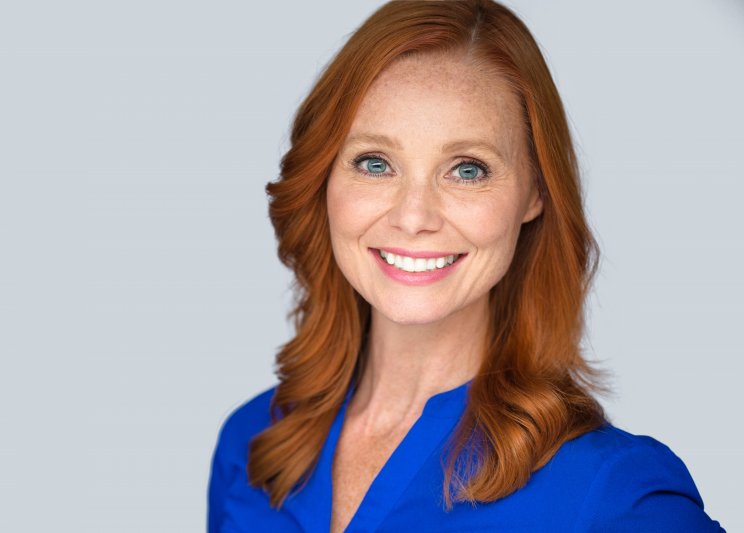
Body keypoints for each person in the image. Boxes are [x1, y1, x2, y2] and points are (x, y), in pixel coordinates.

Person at [207, 1, 726, 531]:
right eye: (375, 163)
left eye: (468, 169)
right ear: (324, 177)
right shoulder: (251, 446)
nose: (413, 217)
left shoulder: (610, 492)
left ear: (535, 194)